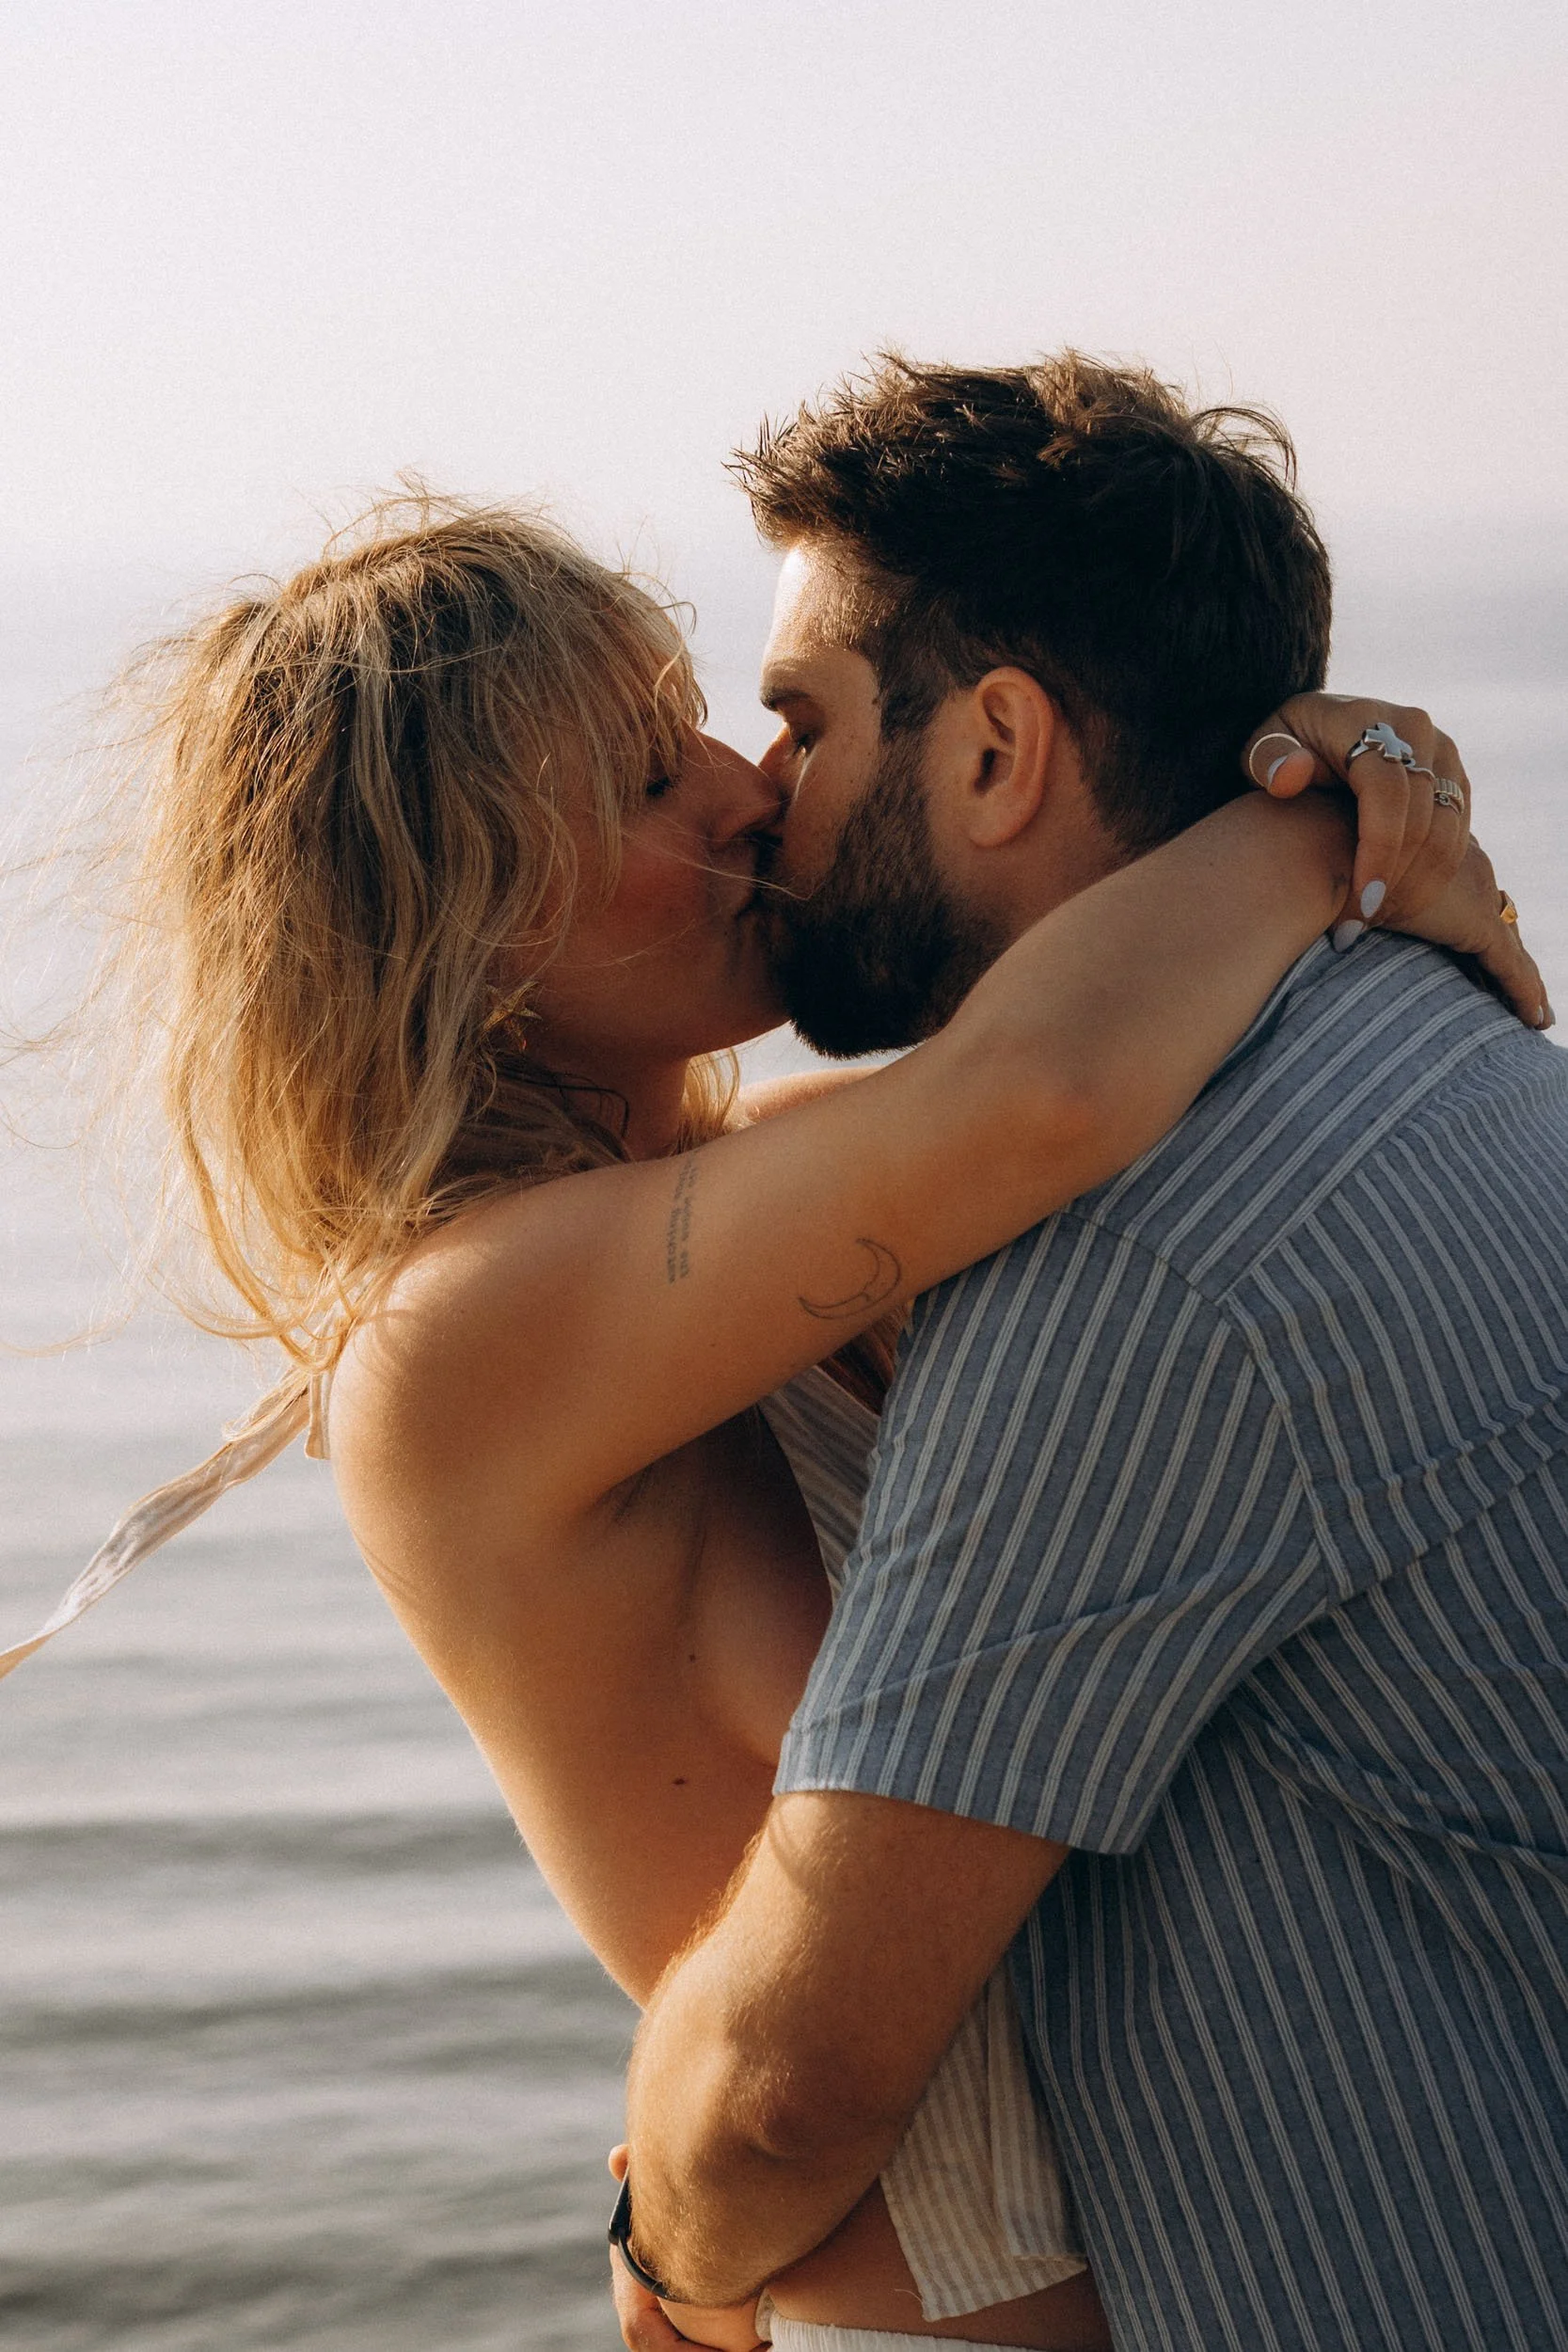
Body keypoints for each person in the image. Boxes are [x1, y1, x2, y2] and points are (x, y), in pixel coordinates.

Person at [0, 426, 1529, 2348]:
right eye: (649, 777)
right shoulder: (461, 1331)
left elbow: (1068, 1051)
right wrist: (1321, 823)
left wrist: (1374, 762)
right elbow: (1038, 1087)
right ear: (461, 919)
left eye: (711, 725)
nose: (743, 793)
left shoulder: (737, 1204)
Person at [618, 358, 1568, 2352]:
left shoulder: (1118, 1276)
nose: (760, 791)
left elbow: (793, 2075)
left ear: (993, 751)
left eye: (799, 720)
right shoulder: (1440, 1029)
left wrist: (664, 2266)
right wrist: (1325, 814)